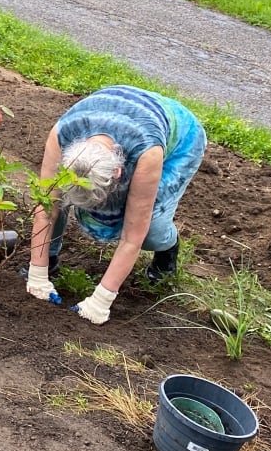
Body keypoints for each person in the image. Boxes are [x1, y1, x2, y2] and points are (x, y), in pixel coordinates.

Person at [24, 85, 206, 325]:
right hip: (118, 113)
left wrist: (101, 300)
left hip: (180, 140)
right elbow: (46, 208)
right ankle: (51, 257)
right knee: (56, 199)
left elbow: (132, 236)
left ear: (119, 172)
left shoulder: (146, 152)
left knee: (151, 226)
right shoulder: (61, 136)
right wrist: (37, 274)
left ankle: (166, 249)